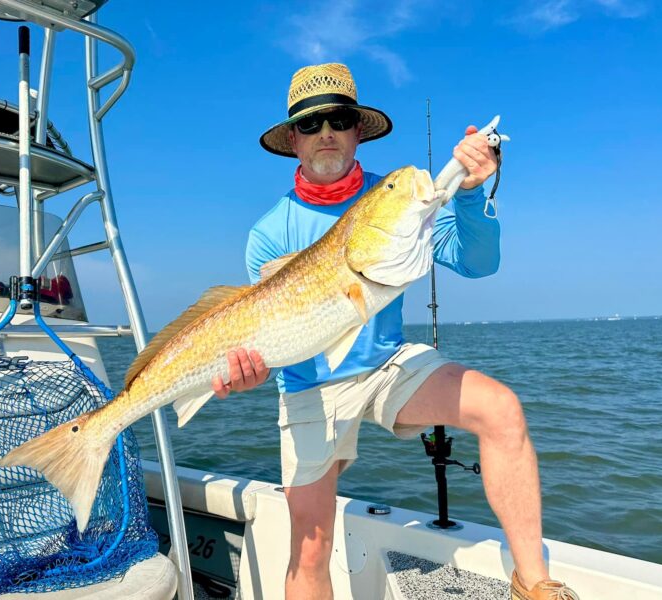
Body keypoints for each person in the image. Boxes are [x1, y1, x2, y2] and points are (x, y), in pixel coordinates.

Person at [212, 63, 579, 600]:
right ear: (293, 141)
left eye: (338, 119)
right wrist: (246, 373)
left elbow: (477, 262)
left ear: (358, 129)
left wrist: (472, 194)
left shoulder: (396, 200)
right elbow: (270, 335)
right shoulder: (269, 233)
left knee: (500, 409)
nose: (326, 134)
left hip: (387, 364)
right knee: (309, 549)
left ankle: (534, 581)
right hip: (309, 382)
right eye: (311, 125)